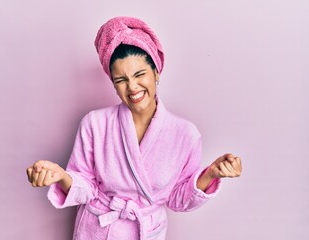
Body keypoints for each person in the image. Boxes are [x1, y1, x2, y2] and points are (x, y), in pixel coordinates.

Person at [26, 16, 242, 240]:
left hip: (146, 232)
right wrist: (61, 176)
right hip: (97, 231)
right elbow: (86, 186)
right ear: (114, 84)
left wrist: (211, 174)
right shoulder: (95, 123)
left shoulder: (185, 134)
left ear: (156, 72)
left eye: (140, 75)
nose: (132, 87)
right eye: (121, 80)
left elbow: (178, 199)